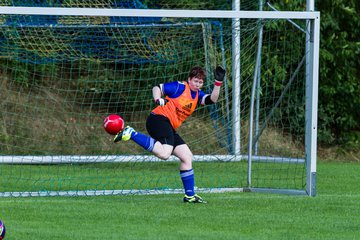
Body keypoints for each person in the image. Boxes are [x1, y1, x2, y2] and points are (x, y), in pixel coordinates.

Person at [114, 66, 226, 203]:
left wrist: (218, 83)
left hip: (168, 125)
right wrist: (157, 99)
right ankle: (131, 133)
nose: (197, 84)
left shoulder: (198, 95)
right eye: (195, 81)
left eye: (200, 82)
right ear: (189, 79)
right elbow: (157, 87)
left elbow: (212, 100)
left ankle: (190, 196)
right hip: (158, 119)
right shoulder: (179, 87)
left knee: (187, 157)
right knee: (164, 154)